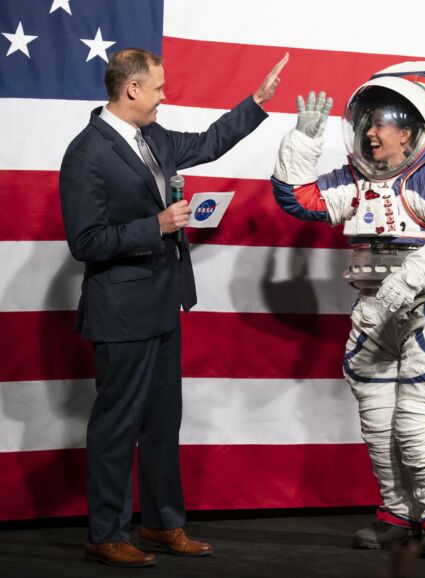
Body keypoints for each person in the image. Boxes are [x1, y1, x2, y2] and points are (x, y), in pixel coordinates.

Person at [59, 47, 287, 567]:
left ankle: (162, 524)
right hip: (120, 311)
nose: (165, 96)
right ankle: (106, 532)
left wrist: (257, 101)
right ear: (132, 89)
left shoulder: (153, 138)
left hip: (163, 302)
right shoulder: (86, 153)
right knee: (117, 425)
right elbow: (86, 240)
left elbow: (208, 143)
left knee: (164, 422)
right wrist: (156, 226)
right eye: (158, 88)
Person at [271, 77, 425, 558]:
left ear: (408, 131)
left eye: (382, 125)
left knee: (417, 421)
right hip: (374, 313)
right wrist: (304, 140)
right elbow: (299, 200)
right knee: (379, 422)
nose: (370, 133)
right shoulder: (358, 179)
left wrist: (406, 282)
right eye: (367, 124)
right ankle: (396, 514)